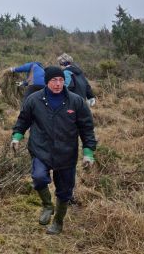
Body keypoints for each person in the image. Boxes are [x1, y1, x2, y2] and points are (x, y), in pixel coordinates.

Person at [10, 66, 97, 235]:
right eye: (53, 80)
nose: (58, 84)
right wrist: (16, 136)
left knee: (65, 191)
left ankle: (58, 222)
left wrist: (88, 153)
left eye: (60, 80)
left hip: (66, 152)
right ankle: (47, 206)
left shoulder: (76, 101)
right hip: (41, 148)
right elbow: (23, 120)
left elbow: (87, 128)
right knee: (38, 176)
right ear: (46, 82)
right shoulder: (34, 100)